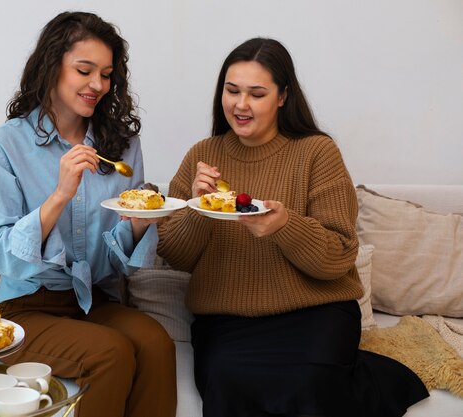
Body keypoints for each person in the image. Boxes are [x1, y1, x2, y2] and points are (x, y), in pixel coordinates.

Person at [157, 37, 428, 417]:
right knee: (227, 380)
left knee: (309, 382)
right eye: (232, 91)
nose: (241, 104)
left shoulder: (317, 152)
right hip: (227, 320)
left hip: (315, 313)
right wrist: (197, 210)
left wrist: (286, 227)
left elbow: (338, 257)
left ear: (282, 97)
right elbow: (175, 256)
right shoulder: (202, 156)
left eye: (257, 93)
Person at [0, 11, 176, 417]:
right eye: (85, 70)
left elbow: (122, 266)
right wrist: (60, 195)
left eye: (106, 75)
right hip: (23, 308)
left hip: (92, 301)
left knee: (157, 343)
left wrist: (138, 224)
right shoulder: (2, 147)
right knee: (111, 352)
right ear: (52, 67)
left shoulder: (121, 146)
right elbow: (0, 253)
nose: (98, 85)